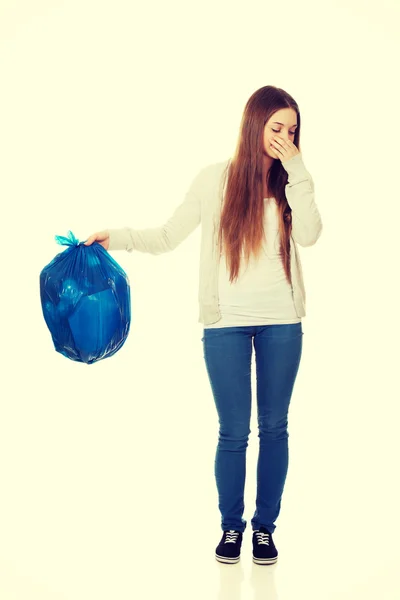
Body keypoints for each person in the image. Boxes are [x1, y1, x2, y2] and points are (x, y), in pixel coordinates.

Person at [84, 85, 323, 566]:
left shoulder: (291, 183)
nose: (284, 139)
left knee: (274, 428)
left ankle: (265, 529)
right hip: (226, 325)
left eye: (293, 131)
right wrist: (117, 238)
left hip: (282, 323)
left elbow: (312, 236)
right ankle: (231, 528)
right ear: (254, 124)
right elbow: (169, 235)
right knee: (233, 431)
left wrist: (298, 170)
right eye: (277, 128)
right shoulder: (215, 179)